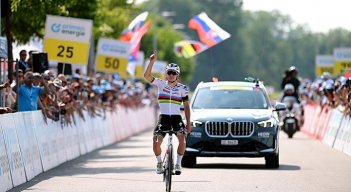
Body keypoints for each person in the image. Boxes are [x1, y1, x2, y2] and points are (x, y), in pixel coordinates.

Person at [144, 50, 191, 175]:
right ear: (166, 74)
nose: (171, 75)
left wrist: (189, 123)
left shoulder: (183, 88)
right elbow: (147, 76)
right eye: (169, 73)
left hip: (176, 119)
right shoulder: (160, 84)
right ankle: (159, 162)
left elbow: (186, 107)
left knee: (182, 139)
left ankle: (178, 163)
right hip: (163, 118)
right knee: (156, 142)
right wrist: (151, 62)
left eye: (173, 73)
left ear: (177, 75)